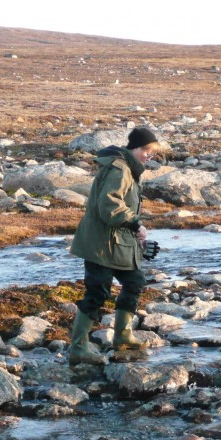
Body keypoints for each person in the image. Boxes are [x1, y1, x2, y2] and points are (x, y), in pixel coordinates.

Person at [68, 126, 160, 366]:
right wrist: (135, 223)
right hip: (100, 244)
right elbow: (108, 205)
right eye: (146, 150)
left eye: (151, 151)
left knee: (135, 282)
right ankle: (78, 348)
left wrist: (135, 233)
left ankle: (122, 335)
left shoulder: (129, 168)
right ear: (135, 148)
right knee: (98, 291)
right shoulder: (119, 169)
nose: (149, 155)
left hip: (118, 243)